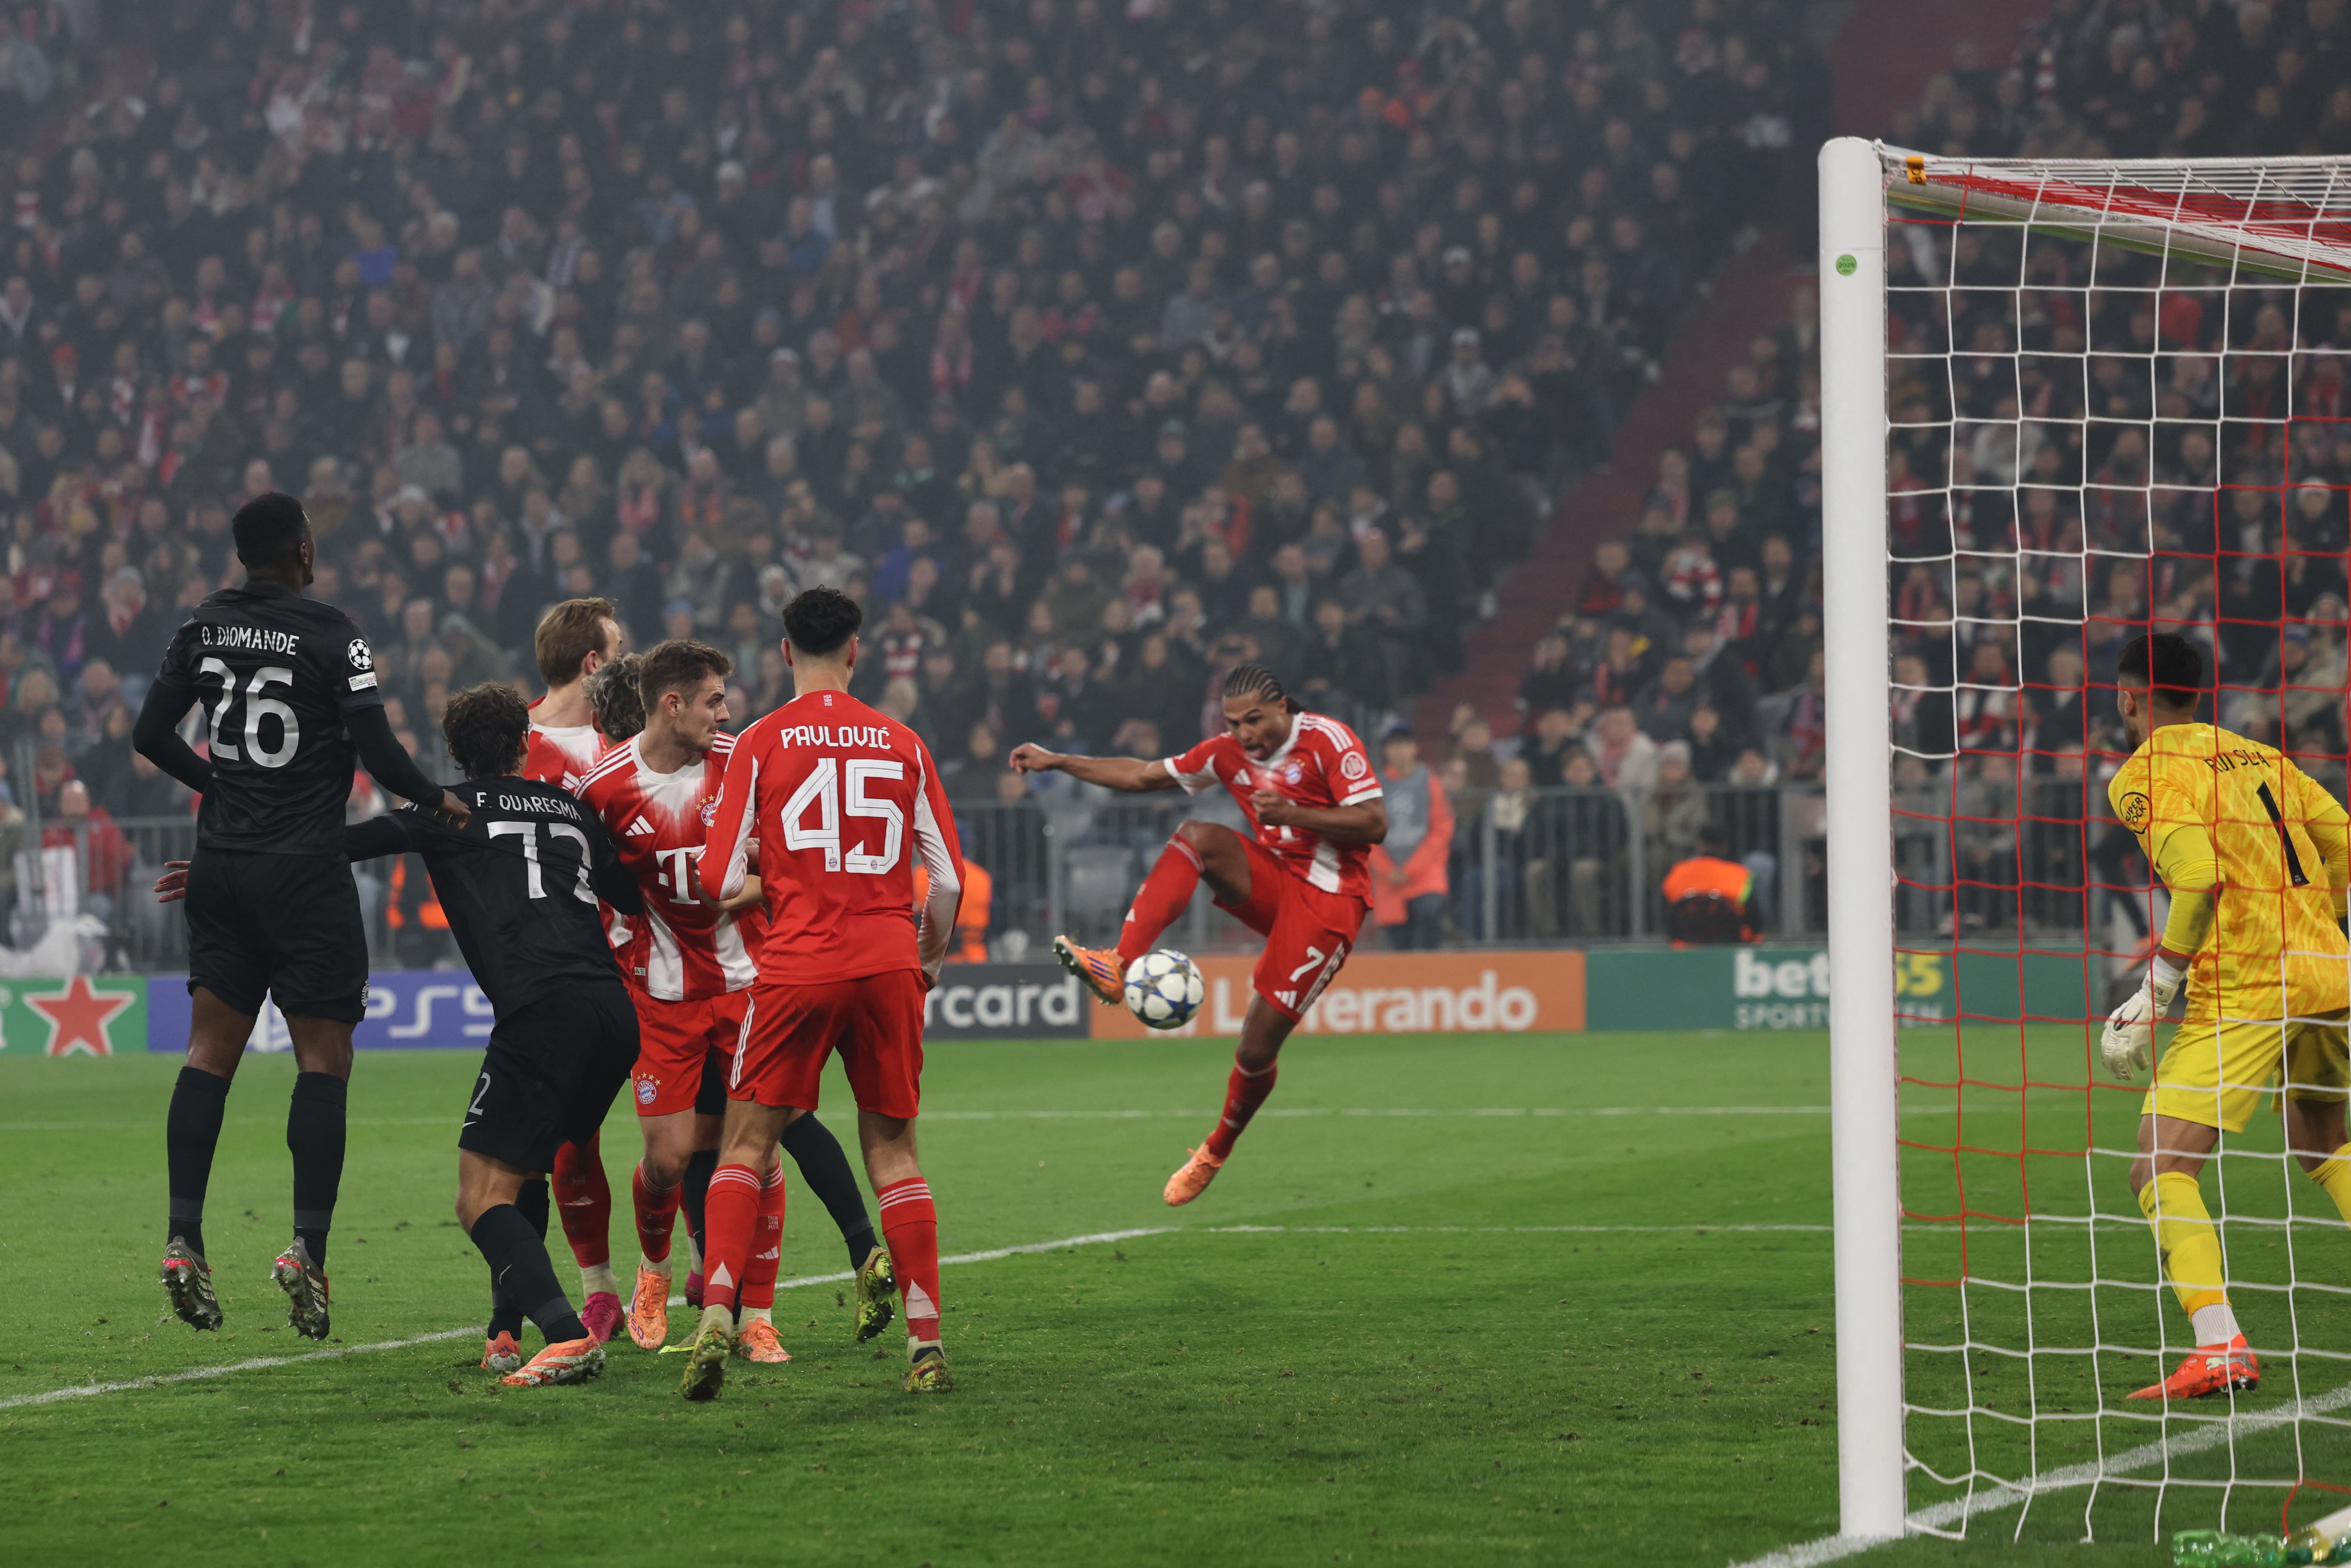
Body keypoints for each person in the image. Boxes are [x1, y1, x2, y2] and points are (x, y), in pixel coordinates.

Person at [134, 491, 466, 1339]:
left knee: (209, 1051)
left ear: (245, 556)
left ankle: (182, 1236)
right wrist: (437, 799)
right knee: (325, 1058)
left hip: (222, 869)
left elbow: (149, 733)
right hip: (306, 876)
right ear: (305, 552)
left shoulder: (201, 624)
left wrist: (224, 788)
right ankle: (306, 1253)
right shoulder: (334, 634)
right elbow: (384, 752)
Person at [575, 638, 892, 1361]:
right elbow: (594, 886)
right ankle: (652, 1273)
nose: (729, 710)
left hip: (749, 982)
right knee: (667, 1160)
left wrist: (743, 891)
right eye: (716, 698)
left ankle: (756, 1316)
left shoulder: (745, 762)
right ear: (672, 703)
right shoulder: (601, 789)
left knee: (764, 1148)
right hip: (659, 992)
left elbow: (788, 863)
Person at [681, 587, 963, 1399]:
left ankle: (719, 1323)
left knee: (745, 1145)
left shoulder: (761, 743)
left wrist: (781, 880)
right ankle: (926, 1348)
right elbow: (943, 882)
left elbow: (713, 877)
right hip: (885, 965)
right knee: (896, 1156)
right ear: (856, 651)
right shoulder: (902, 740)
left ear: (782, 652)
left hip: (798, 965)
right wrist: (929, 964)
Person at [1010, 662, 1387, 1205]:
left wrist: (1294, 812)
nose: (1244, 734)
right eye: (1234, 723)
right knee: (1196, 837)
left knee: (1255, 1047)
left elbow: (1374, 822)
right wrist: (1058, 761)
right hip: (1277, 880)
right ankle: (1119, 963)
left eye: (1254, 720)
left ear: (1283, 706)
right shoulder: (1225, 753)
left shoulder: (1328, 741)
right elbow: (1141, 775)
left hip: (1329, 903)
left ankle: (1214, 1149)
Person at [2100, 631, 2351, 1401]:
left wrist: (2157, 991)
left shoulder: (2142, 774)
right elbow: (2341, 836)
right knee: (2325, 1145)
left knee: (2159, 1164)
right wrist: (2321, 928)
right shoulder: (2258, 756)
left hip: (2243, 989)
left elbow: (2199, 879)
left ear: (2128, 694)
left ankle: (2220, 1348)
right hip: (2326, 974)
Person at [520, 596, 628, 1340]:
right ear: (593, 662)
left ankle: (691, 1271)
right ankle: (600, 1289)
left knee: (681, 1131)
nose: (631, 662)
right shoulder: (513, 743)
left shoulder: (633, 733)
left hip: (651, 955)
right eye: (620, 650)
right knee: (570, 1138)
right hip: (565, 967)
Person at [1366, 725, 1452, 949]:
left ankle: (1436, 978)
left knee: (1429, 914)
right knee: (1399, 945)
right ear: (1386, 750)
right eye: (1394, 745)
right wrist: (1388, 870)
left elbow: (1441, 828)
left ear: (1415, 748)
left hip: (1426, 875)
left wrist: (1410, 869)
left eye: (1404, 744)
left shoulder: (1429, 781)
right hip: (1390, 880)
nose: (1400, 751)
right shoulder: (1375, 786)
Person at [1661, 824, 1756, 944]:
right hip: (1729, 946)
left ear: (1699, 844)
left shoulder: (1678, 871)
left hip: (1685, 946)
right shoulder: (1741, 874)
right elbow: (1754, 917)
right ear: (1726, 846)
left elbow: (1667, 914)